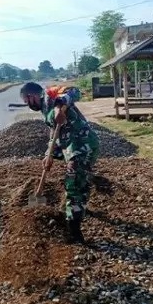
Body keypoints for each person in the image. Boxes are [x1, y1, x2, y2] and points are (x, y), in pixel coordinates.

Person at [20, 81, 100, 244]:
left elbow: (75, 90)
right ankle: (80, 206)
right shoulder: (44, 107)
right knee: (79, 181)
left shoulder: (51, 97)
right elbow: (54, 133)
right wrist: (48, 155)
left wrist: (59, 106)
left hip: (82, 145)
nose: (27, 105)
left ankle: (73, 230)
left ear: (32, 96)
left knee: (73, 183)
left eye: (26, 101)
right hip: (70, 147)